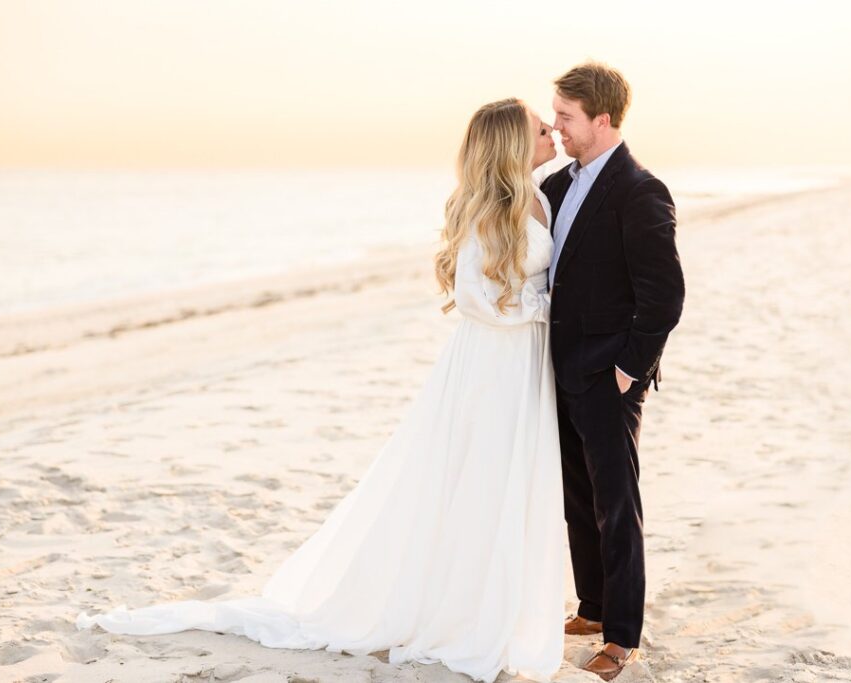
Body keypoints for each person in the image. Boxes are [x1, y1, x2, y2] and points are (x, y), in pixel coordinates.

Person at [77, 98, 568, 683]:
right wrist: (545, 309)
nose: (552, 132)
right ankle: (459, 610)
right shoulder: (489, 210)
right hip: (492, 363)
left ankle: (499, 603)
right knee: (479, 477)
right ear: (513, 144)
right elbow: (472, 299)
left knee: (514, 480)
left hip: (525, 362)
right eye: (541, 128)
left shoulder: (542, 197)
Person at [540, 61, 685, 681]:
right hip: (559, 367)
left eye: (566, 117)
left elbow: (665, 295)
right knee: (578, 497)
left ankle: (622, 636)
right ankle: (593, 607)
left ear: (602, 119)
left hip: (609, 374)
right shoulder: (553, 186)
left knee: (616, 503)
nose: (556, 126)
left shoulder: (638, 189)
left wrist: (630, 367)